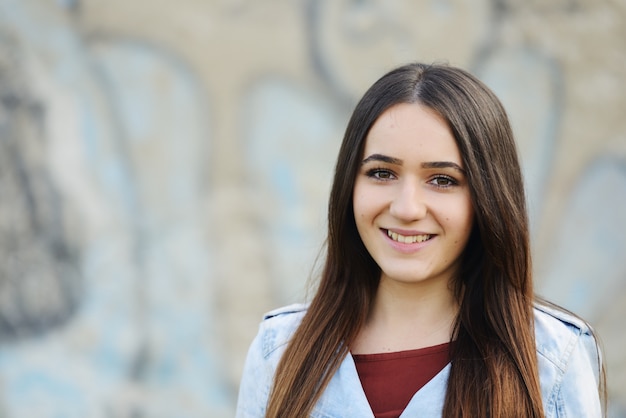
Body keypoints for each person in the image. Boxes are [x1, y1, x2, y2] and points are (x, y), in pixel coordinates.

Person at [235, 62, 606, 418]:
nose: (407, 208)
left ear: (486, 198)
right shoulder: (279, 350)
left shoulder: (551, 361)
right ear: (350, 185)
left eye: (443, 180)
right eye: (382, 173)